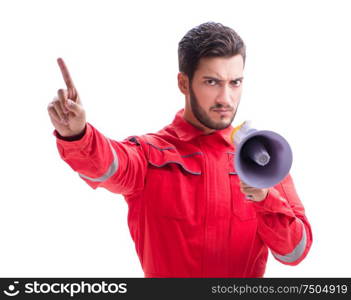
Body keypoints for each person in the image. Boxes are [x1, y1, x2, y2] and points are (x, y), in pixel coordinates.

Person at [47, 22, 312, 277]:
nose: (226, 99)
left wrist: (266, 198)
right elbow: (107, 166)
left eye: (235, 82)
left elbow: (294, 252)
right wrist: (78, 135)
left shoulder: (264, 160)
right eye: (212, 82)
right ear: (184, 83)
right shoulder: (149, 155)